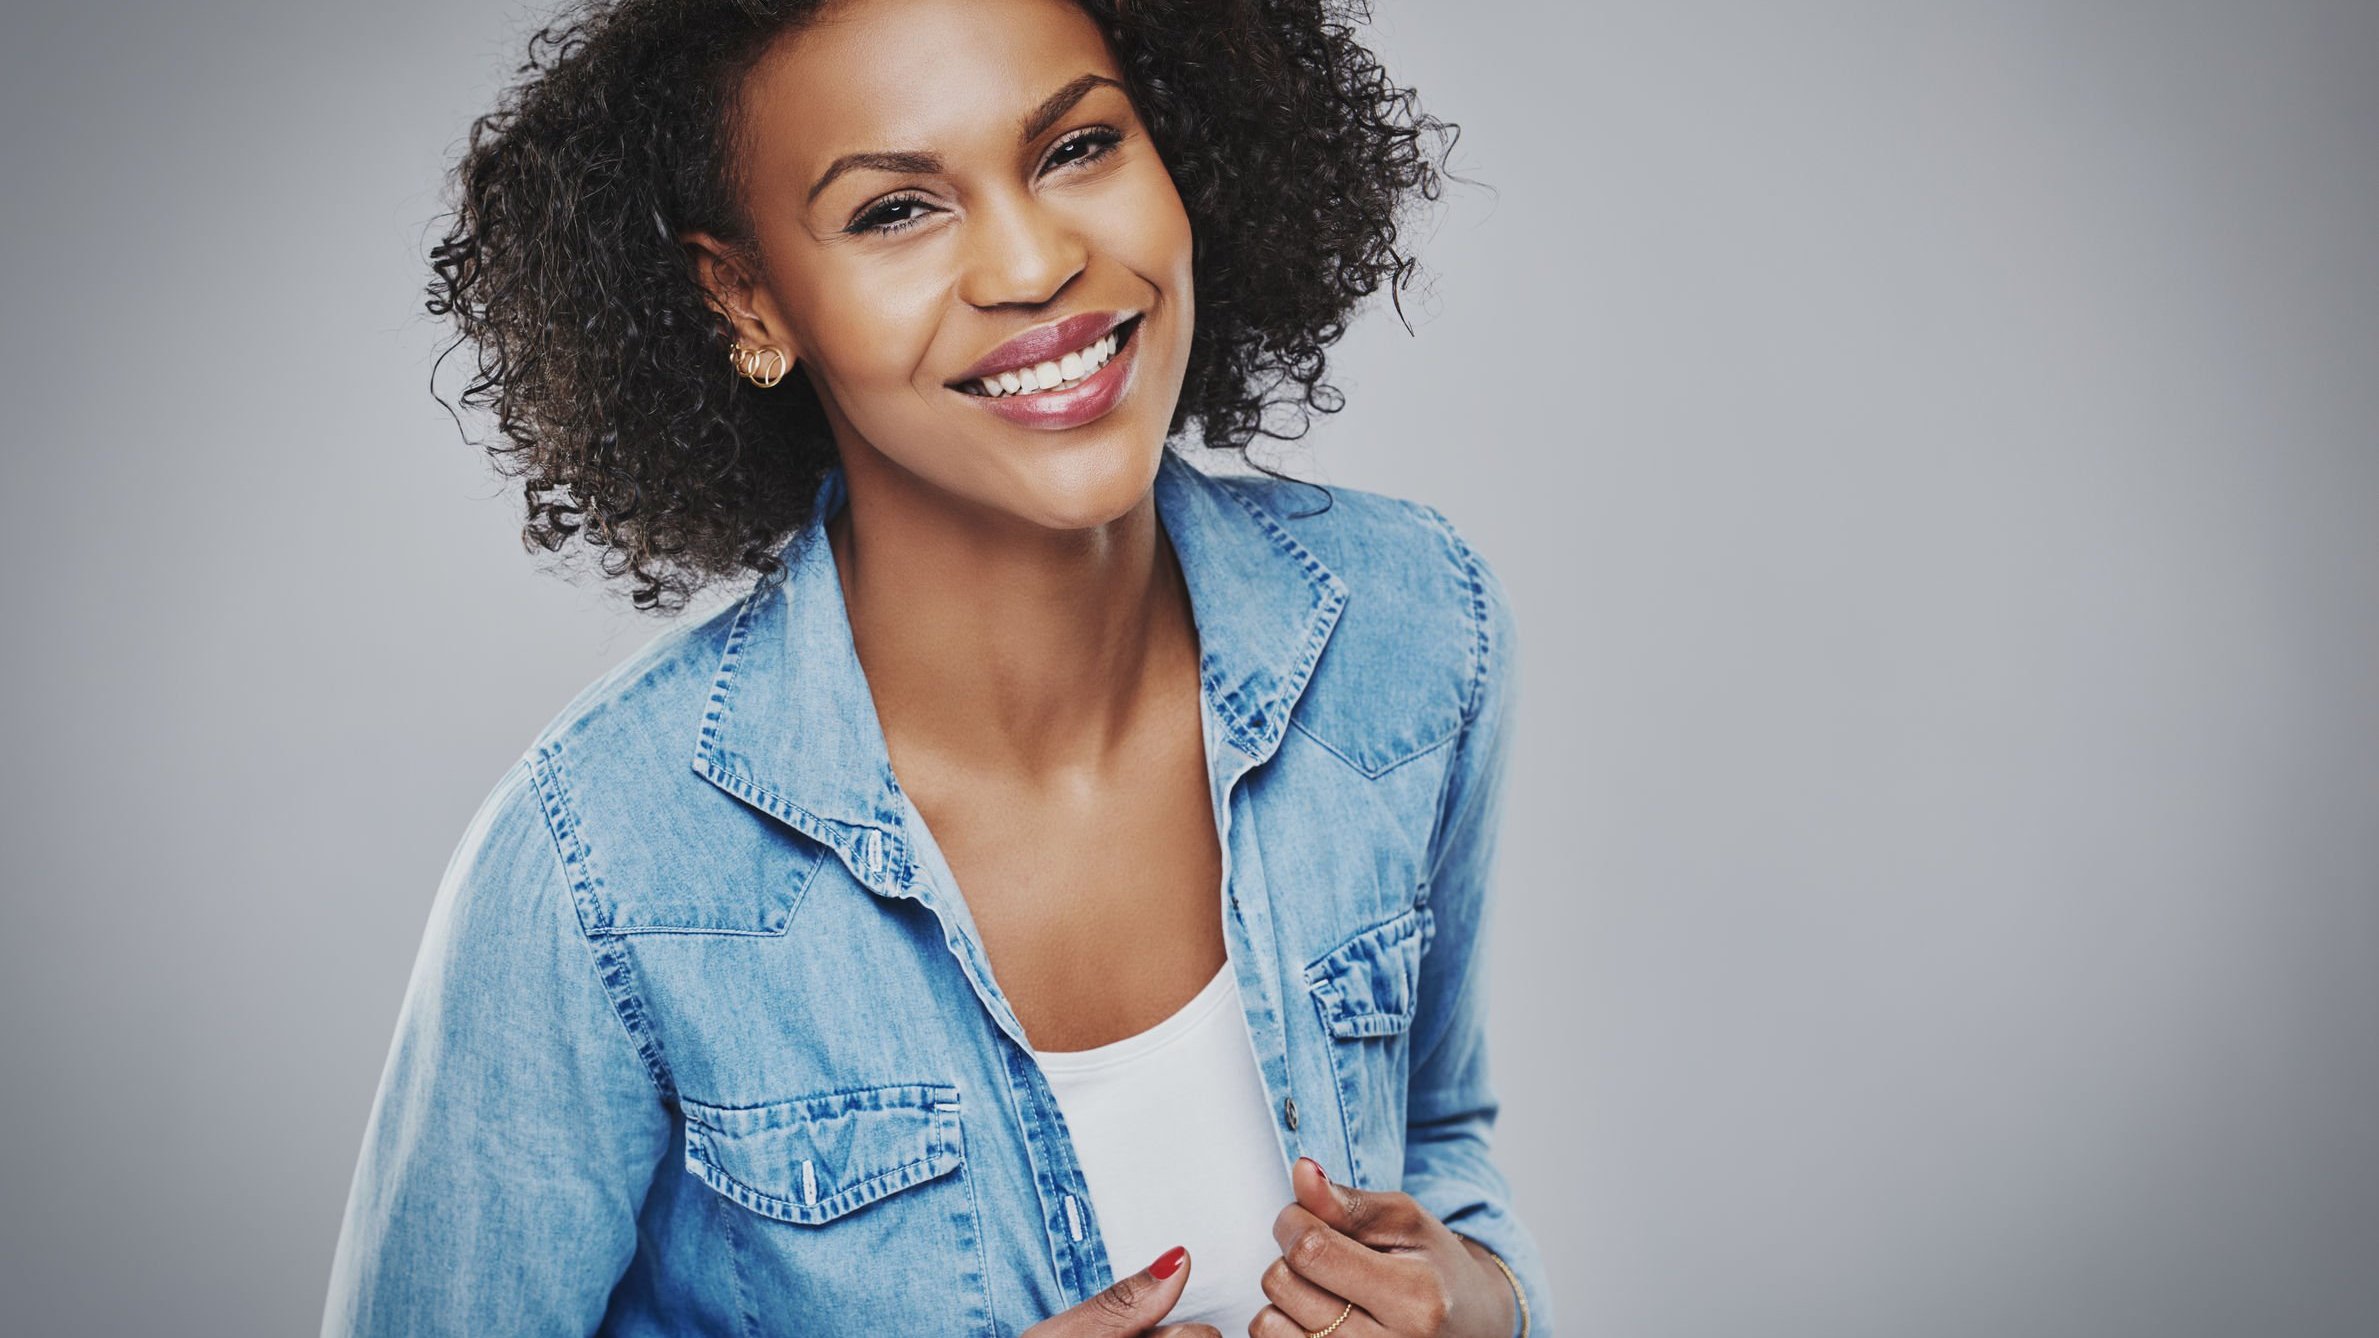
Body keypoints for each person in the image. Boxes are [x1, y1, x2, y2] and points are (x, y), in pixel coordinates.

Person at [322, 0, 1550, 1334]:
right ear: (747, 300)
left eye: (1077, 146)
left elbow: (1438, 1136)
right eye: (896, 211)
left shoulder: (1411, 626)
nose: (1033, 261)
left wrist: (1486, 1302)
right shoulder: (601, 870)